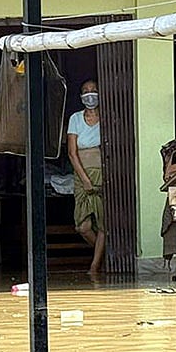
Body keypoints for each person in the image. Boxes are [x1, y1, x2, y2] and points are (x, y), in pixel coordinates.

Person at [67, 79, 105, 273]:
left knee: (103, 223)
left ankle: (95, 266)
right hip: (82, 175)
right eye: (86, 91)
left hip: (101, 174)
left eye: (94, 91)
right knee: (83, 226)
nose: (90, 95)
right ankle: (105, 255)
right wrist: (85, 180)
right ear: (81, 96)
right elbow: (72, 153)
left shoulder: (107, 118)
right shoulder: (75, 119)